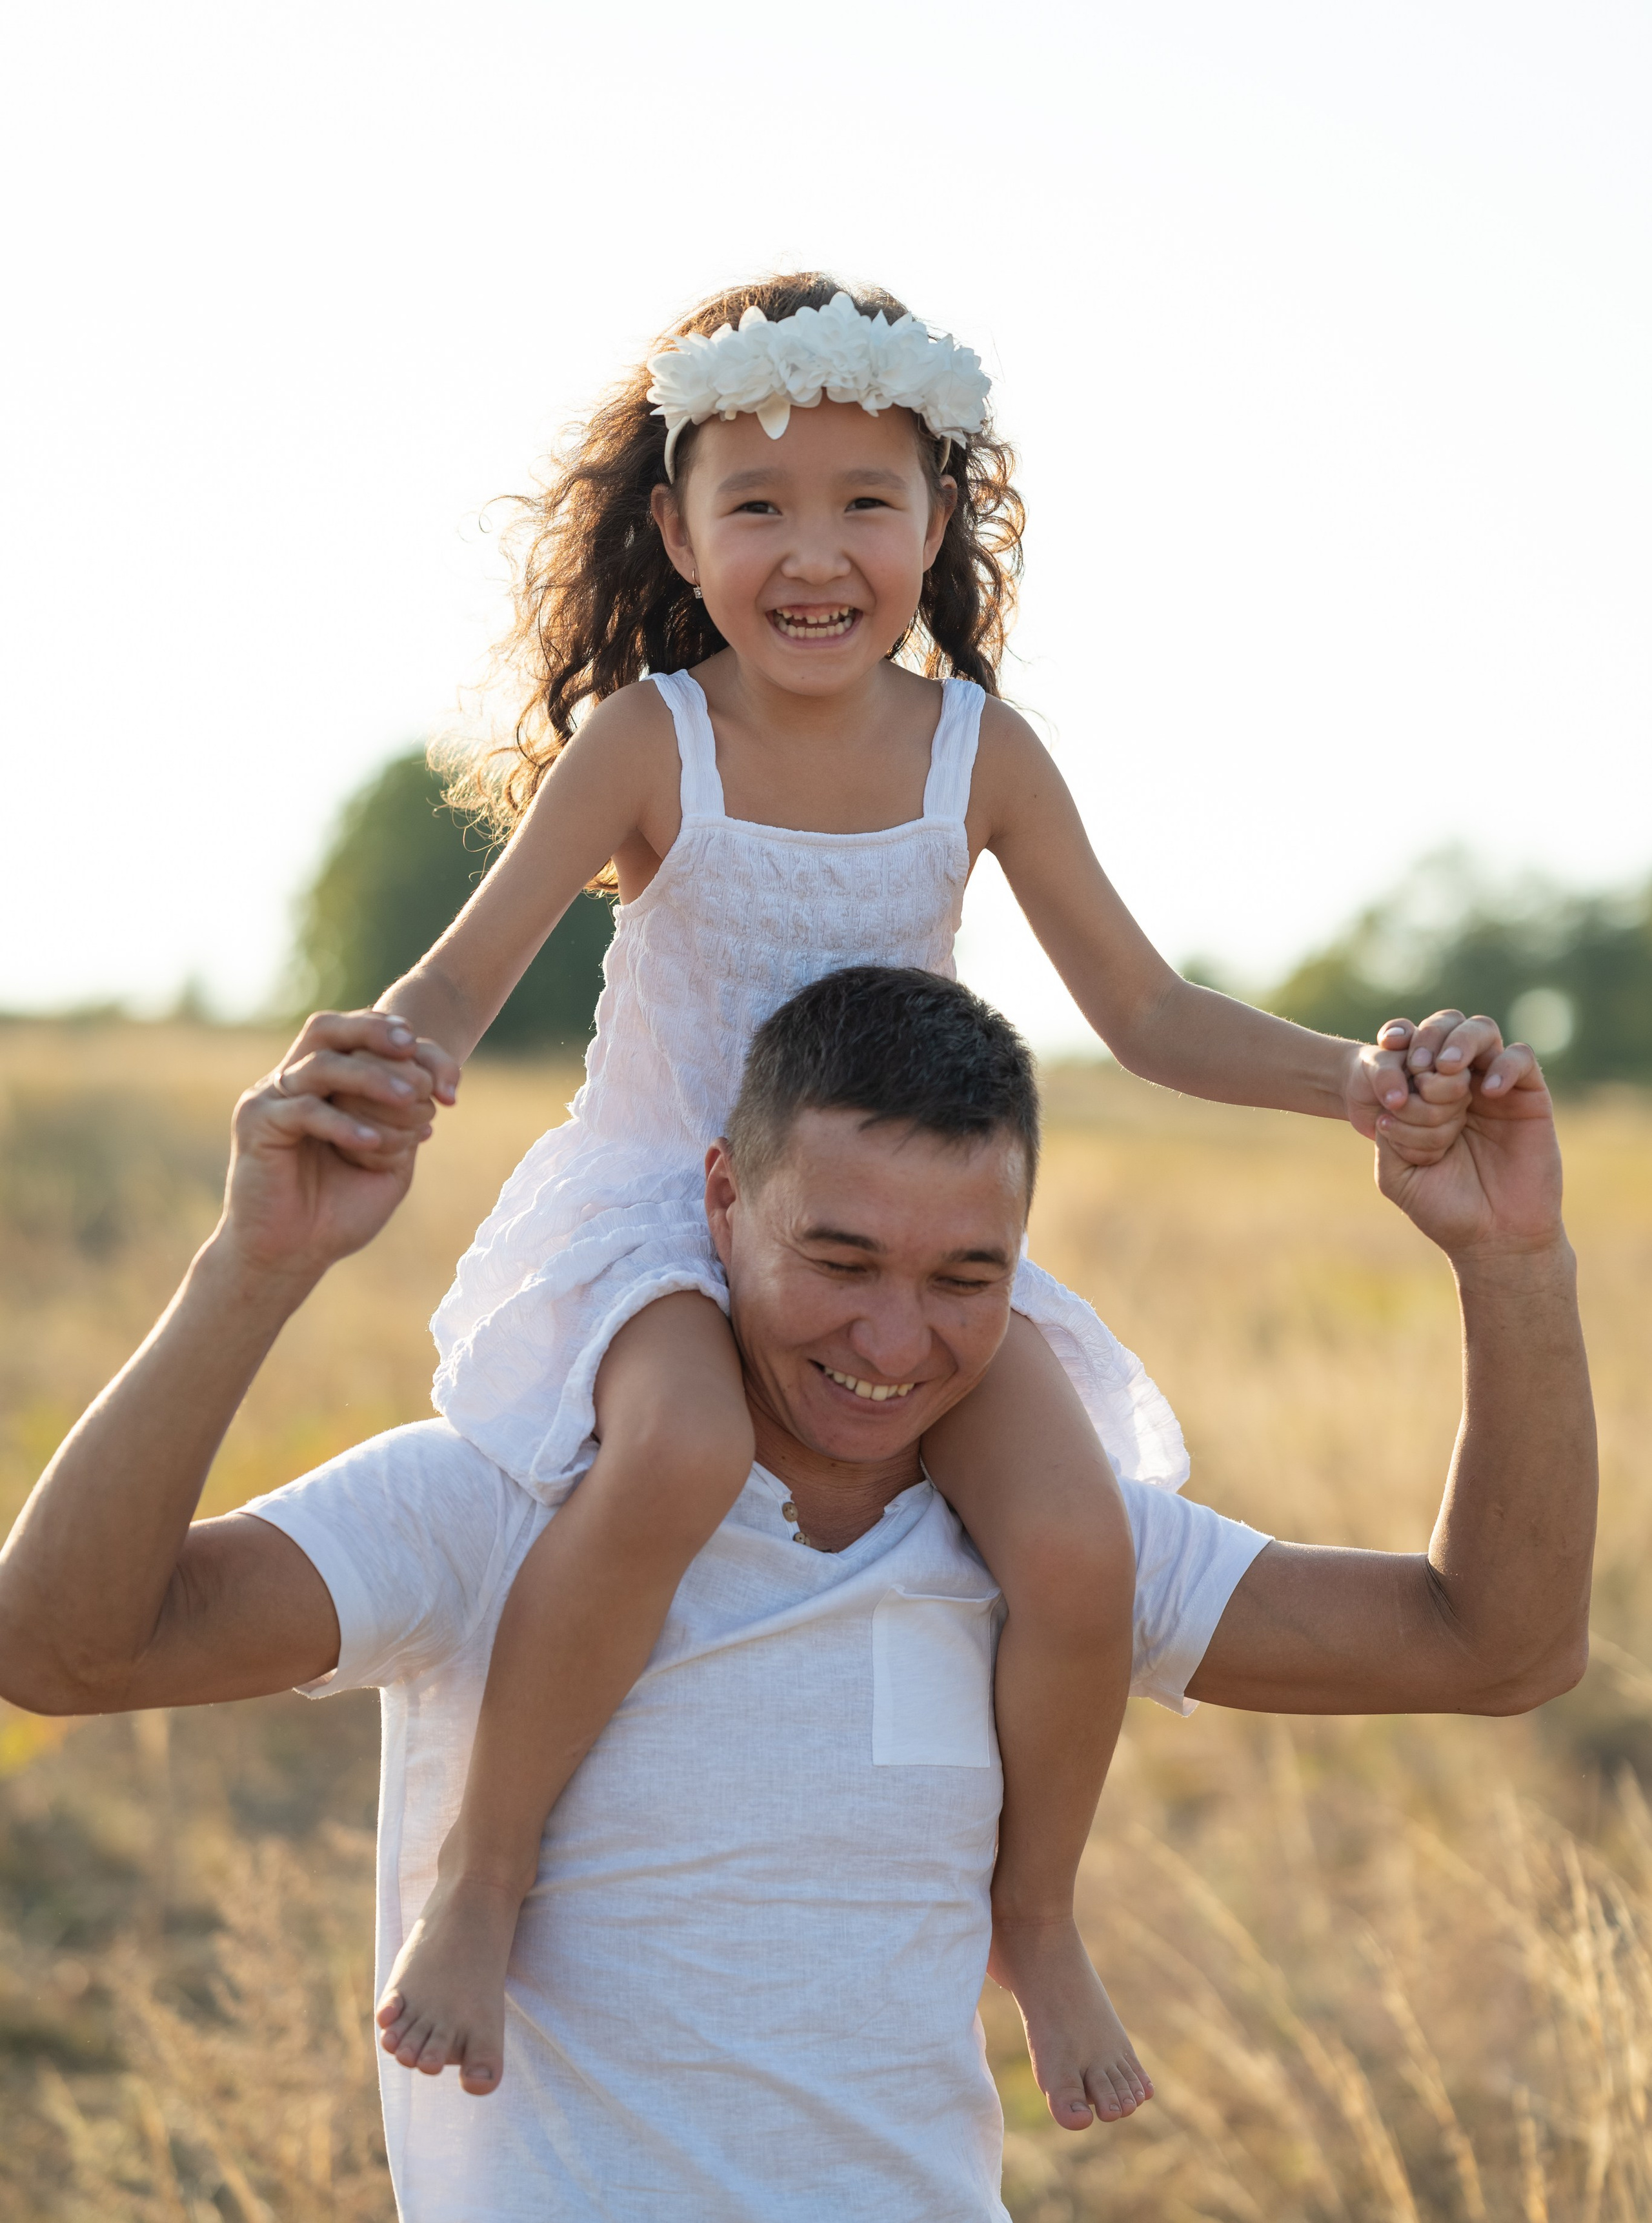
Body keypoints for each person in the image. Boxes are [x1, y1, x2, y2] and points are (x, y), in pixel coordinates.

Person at [322, 272, 1527, 2112]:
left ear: (940, 520)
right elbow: (460, 977)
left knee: (1079, 1542)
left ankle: (1031, 1917)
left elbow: (1144, 1009)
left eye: (865, 502)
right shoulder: (652, 739)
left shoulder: (979, 753)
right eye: (757, 504)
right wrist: (379, 1057)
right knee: (673, 1450)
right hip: (673, 1213)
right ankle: (484, 1876)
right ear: (678, 532)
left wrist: (1356, 1085)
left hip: (894, 1234)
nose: (815, 554)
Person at [0, 973, 1591, 2223]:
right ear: (718, 1201)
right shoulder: (508, 1497)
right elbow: (60, 1648)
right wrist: (255, 1265)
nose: (893, 1344)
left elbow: (1496, 1646)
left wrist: (1511, 1258)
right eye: (837, 1261)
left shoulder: (1055, 1551)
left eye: (964, 1278)